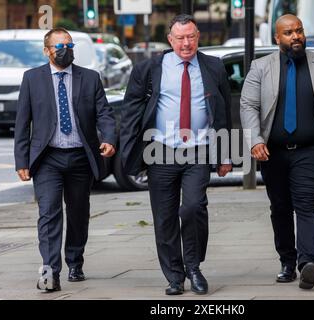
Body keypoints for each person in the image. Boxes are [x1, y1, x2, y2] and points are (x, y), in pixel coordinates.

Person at [119, 14, 232, 295]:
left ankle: (194, 267)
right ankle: (174, 276)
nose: (186, 43)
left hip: (199, 150)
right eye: (180, 37)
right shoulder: (148, 69)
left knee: (193, 207)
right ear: (170, 40)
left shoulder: (213, 66)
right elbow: (131, 109)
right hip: (161, 151)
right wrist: (128, 149)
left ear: (198, 37)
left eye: (191, 36)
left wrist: (225, 154)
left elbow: (223, 113)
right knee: (164, 216)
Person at [240, 14, 314, 290]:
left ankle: (307, 263)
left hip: (310, 150)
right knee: (280, 208)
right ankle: (287, 262)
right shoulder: (260, 67)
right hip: (272, 153)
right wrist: (255, 141)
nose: (296, 36)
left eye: (299, 30)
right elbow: (248, 105)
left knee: (306, 204)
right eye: (288, 32)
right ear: (277, 38)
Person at [14, 28, 116, 292]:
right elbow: (22, 123)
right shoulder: (32, 78)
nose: (65, 50)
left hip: (81, 156)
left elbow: (104, 113)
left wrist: (108, 138)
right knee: (49, 213)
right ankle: (50, 271)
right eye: (59, 46)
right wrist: (21, 161)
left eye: (69, 46)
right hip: (47, 158)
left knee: (79, 213)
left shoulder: (90, 78)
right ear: (46, 50)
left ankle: (75, 261)